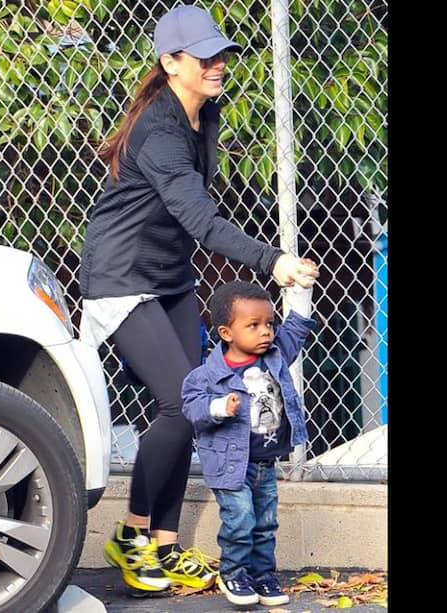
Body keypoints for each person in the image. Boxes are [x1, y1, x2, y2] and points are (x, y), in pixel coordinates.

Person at [78, 3, 319, 594]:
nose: (217, 65)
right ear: (170, 62)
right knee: (177, 404)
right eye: (204, 57)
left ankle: (164, 545)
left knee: (199, 400)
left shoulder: (202, 115)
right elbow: (202, 220)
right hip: (122, 276)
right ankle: (132, 536)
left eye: (221, 54)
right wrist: (274, 261)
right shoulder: (160, 131)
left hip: (170, 278)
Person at [181, 280, 316, 606]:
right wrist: (218, 407)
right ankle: (234, 573)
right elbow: (191, 406)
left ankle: (262, 575)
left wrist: (302, 289)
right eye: (253, 326)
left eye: (269, 323)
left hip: (265, 463)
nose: (266, 332)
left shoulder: (273, 356)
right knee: (241, 519)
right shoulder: (208, 375)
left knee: (266, 522)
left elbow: (297, 331)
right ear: (227, 333)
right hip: (230, 466)